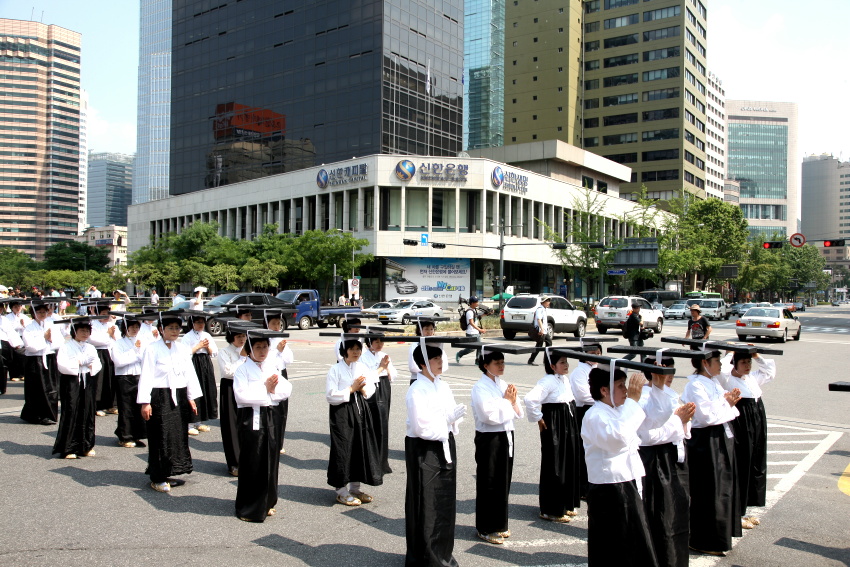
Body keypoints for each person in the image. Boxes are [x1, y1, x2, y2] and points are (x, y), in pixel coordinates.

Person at [582, 366, 658, 567]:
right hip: (610, 489)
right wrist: (633, 401)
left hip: (626, 483)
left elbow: (654, 418)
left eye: (625, 385)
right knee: (615, 547)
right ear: (603, 390)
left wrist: (658, 385)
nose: (626, 390)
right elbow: (617, 438)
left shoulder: (619, 410)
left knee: (634, 542)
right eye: (620, 386)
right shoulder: (595, 415)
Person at [405, 344, 466, 567]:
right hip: (424, 448)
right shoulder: (416, 390)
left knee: (445, 501)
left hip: (444, 442)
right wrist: (447, 419)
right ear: (422, 364)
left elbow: (450, 416)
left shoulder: (443, 385)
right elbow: (421, 427)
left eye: (441, 357)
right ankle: (426, 558)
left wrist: (452, 419)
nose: (440, 362)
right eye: (435, 359)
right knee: (427, 502)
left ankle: (443, 553)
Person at [680, 350, 742, 556]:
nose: (720, 365)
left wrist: (726, 403)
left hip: (721, 434)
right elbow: (705, 416)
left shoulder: (713, 381)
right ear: (705, 363)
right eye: (717, 361)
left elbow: (722, 410)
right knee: (709, 490)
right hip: (706, 440)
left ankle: (720, 536)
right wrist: (726, 403)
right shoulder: (695, 385)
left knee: (723, 487)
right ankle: (704, 540)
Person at [637, 356, 696, 567]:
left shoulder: (670, 395)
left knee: (677, 512)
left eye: (671, 372)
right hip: (655, 461)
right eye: (663, 373)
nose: (668, 377)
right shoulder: (644, 398)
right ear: (652, 374)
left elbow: (680, 426)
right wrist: (677, 423)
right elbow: (645, 436)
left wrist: (682, 423)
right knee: (661, 515)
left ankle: (675, 558)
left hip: (672, 458)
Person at [137, 312, 202, 493]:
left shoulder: (181, 348)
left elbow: (189, 373)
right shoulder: (152, 349)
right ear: (161, 329)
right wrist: (145, 402)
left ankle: (170, 471)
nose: (174, 331)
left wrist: (191, 397)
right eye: (170, 328)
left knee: (176, 435)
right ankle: (157, 477)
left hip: (178, 396)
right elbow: (147, 375)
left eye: (177, 328)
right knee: (160, 436)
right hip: (159, 397)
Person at [233, 332, 292, 522]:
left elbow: (286, 389)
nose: (262, 351)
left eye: (265, 347)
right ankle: (248, 507)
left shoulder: (270, 367)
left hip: (270, 418)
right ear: (250, 350)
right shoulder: (242, 370)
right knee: (252, 461)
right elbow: (241, 396)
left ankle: (268, 501)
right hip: (250, 419)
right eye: (257, 347)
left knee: (270, 460)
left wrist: (271, 391)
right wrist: (265, 389)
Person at [471, 348, 524, 545]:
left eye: (503, 362)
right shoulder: (480, 388)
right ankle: (485, 528)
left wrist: (512, 401)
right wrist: (507, 402)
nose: (501, 366)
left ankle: (499, 524)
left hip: (506, 435)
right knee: (489, 482)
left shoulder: (502, 384)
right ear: (486, 366)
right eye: (496, 363)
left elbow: (516, 411)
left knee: (503, 481)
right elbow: (488, 416)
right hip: (489, 439)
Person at [718, 350, 776, 530]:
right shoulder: (727, 379)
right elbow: (721, 369)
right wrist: (730, 354)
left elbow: (769, 372)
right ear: (735, 364)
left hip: (758, 419)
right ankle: (736, 513)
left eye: (749, 362)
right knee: (742, 463)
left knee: (755, 461)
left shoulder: (751, 377)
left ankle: (744, 510)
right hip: (742, 423)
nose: (748, 366)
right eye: (743, 363)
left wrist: (757, 356)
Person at [523, 349, 581, 522]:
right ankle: (550, 509)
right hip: (555, 423)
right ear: (552, 365)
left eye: (566, 361)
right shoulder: (547, 381)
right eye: (562, 362)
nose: (566, 365)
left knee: (568, 461)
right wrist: (538, 419)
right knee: (554, 464)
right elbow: (530, 399)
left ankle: (565, 504)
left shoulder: (564, 379)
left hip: (568, 422)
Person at [326, 339, 383, 506]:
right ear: (345, 351)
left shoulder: (362, 367)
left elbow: (371, 386)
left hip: (360, 409)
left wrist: (363, 389)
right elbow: (330, 395)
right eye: (352, 349)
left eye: (358, 349)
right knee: (343, 447)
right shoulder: (335, 369)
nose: (356, 352)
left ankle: (355, 487)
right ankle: (341, 490)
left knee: (360, 446)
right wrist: (351, 389)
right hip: (342, 411)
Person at [52, 317, 101, 459]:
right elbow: (62, 364)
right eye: (82, 331)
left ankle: (86, 445)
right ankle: (69, 447)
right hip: (72, 381)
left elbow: (97, 363)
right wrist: (79, 363)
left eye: (87, 331)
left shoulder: (90, 347)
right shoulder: (66, 346)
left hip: (88, 380)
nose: (85, 333)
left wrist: (88, 365)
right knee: (72, 410)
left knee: (87, 411)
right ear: (74, 331)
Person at [21, 301, 64, 424]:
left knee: (51, 387)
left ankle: (49, 414)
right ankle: (36, 415)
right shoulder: (29, 328)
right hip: (35, 360)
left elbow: (60, 341)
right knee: (37, 388)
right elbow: (30, 346)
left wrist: (49, 340)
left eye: (44, 312)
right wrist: (44, 340)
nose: (42, 314)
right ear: (34, 313)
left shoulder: (51, 325)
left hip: (49, 358)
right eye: (39, 312)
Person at [568, 342, 602, 498]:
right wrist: (603, 399)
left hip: (599, 409)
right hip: (584, 411)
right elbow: (584, 396)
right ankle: (583, 487)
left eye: (598, 352)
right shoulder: (579, 372)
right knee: (584, 450)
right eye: (592, 353)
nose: (596, 356)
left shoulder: (597, 368)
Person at [360, 333, 395, 474]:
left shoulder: (385, 355)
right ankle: (373, 462)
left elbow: (393, 373)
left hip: (384, 387)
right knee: (373, 424)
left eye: (382, 342)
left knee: (384, 423)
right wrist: (380, 368)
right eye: (376, 342)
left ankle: (383, 461)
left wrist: (387, 370)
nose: (379, 345)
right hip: (372, 389)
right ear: (369, 343)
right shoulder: (363, 357)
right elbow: (366, 377)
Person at [110, 316, 148, 448]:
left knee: (138, 407)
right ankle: (125, 436)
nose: (134, 330)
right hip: (124, 377)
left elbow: (145, 358)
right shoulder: (118, 343)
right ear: (125, 328)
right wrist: (135, 353)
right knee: (126, 408)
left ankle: (137, 435)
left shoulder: (141, 341)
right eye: (131, 327)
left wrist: (137, 354)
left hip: (139, 376)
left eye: (137, 327)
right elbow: (119, 362)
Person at [219, 322, 248, 476]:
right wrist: (242, 358)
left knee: (245, 425)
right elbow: (228, 372)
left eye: (244, 336)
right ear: (231, 337)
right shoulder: (225, 352)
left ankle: (245, 460)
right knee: (231, 426)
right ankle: (234, 463)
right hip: (229, 388)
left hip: (244, 388)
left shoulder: (246, 351)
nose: (242, 339)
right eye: (238, 336)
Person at [181, 314, 218, 435]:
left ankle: (199, 421)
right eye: (198, 323)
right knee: (194, 391)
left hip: (205, 362)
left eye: (202, 322)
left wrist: (207, 348)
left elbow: (214, 352)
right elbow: (185, 354)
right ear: (192, 324)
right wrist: (198, 346)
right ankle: (189, 423)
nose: (201, 325)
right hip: (194, 362)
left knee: (205, 390)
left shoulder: (207, 335)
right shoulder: (187, 337)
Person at [265, 310, 294, 455]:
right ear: (267, 324)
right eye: (273, 323)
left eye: (278, 323)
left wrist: (282, 351)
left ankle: (279, 442)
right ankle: (270, 440)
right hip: (269, 374)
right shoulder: (264, 339)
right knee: (271, 409)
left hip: (282, 373)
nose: (276, 326)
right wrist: (276, 351)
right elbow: (265, 360)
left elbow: (289, 360)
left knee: (282, 410)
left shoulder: (281, 339)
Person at [89, 303, 118, 416]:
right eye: (103, 314)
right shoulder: (93, 324)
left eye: (108, 314)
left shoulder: (111, 324)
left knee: (111, 379)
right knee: (100, 379)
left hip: (110, 352)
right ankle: (98, 405)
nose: (106, 316)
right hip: (99, 352)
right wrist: (108, 335)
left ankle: (111, 404)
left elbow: (117, 338)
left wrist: (112, 336)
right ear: (97, 314)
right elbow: (94, 340)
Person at [407, 319, 448, 385]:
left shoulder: (436, 344)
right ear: (420, 330)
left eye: (431, 329)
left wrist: (436, 370)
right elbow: (413, 367)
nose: (429, 332)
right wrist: (428, 370)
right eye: (426, 329)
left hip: (435, 378)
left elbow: (444, 363)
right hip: (418, 378)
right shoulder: (416, 345)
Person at [5, 299, 30, 381]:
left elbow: (28, 328)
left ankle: (22, 373)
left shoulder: (25, 317)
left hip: (22, 337)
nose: (18, 308)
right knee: (13, 356)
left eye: (19, 306)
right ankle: (14, 374)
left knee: (22, 356)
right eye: (15, 307)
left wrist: (23, 325)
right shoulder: (8, 317)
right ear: (12, 308)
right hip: (11, 337)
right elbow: (8, 329)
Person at [455, 297, 485, 363]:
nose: (478, 303)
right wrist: (480, 329)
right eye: (476, 302)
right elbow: (471, 323)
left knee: (480, 347)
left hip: (476, 332)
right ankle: (460, 354)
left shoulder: (474, 310)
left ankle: (478, 360)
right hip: (471, 333)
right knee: (471, 348)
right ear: (472, 303)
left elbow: (476, 318)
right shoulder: (469, 312)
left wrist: (485, 314)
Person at [0, 309, 23, 394]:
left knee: (3, 366)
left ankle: (2, 388)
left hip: (3, 342)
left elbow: (10, 331)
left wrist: (16, 343)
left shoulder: (4, 319)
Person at [526, 296, 552, 366]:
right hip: (541, 331)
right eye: (548, 301)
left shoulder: (544, 309)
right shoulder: (540, 309)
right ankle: (531, 360)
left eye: (549, 301)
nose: (549, 302)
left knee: (549, 344)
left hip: (544, 331)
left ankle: (546, 360)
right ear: (543, 302)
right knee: (539, 346)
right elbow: (539, 319)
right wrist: (542, 329)